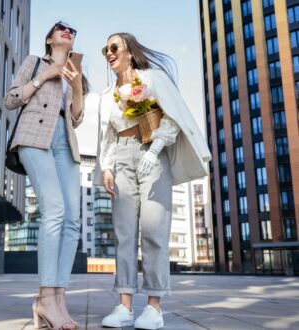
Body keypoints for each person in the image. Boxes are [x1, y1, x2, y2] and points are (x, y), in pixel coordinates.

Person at [95, 33, 211, 329]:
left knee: (154, 231)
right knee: (124, 235)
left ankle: (154, 307)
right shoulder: (107, 95)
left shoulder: (152, 79)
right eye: (104, 49)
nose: (108, 53)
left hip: (152, 156)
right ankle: (124, 306)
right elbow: (107, 135)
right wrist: (106, 167)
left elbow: (173, 118)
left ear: (129, 53)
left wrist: (156, 149)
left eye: (113, 47)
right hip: (121, 159)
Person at [4, 21, 89, 330]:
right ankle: (44, 298)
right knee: (54, 210)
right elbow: (11, 98)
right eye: (61, 28)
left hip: (65, 142)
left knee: (72, 220)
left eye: (72, 30)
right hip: (35, 136)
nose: (68, 31)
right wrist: (44, 77)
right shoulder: (34, 61)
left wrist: (77, 86)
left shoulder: (75, 71)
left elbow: (77, 118)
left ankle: (58, 299)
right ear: (50, 38)